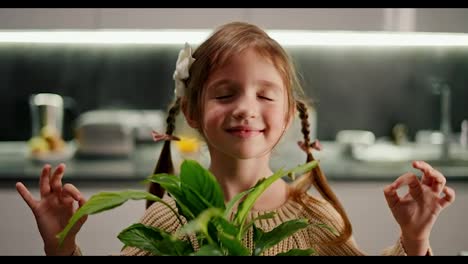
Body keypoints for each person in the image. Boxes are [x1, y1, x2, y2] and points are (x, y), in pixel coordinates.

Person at [16, 21, 455, 256]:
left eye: (265, 94)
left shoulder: (311, 216)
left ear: (287, 116)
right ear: (192, 111)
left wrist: (414, 240)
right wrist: (63, 247)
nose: (246, 107)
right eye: (225, 94)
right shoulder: (170, 220)